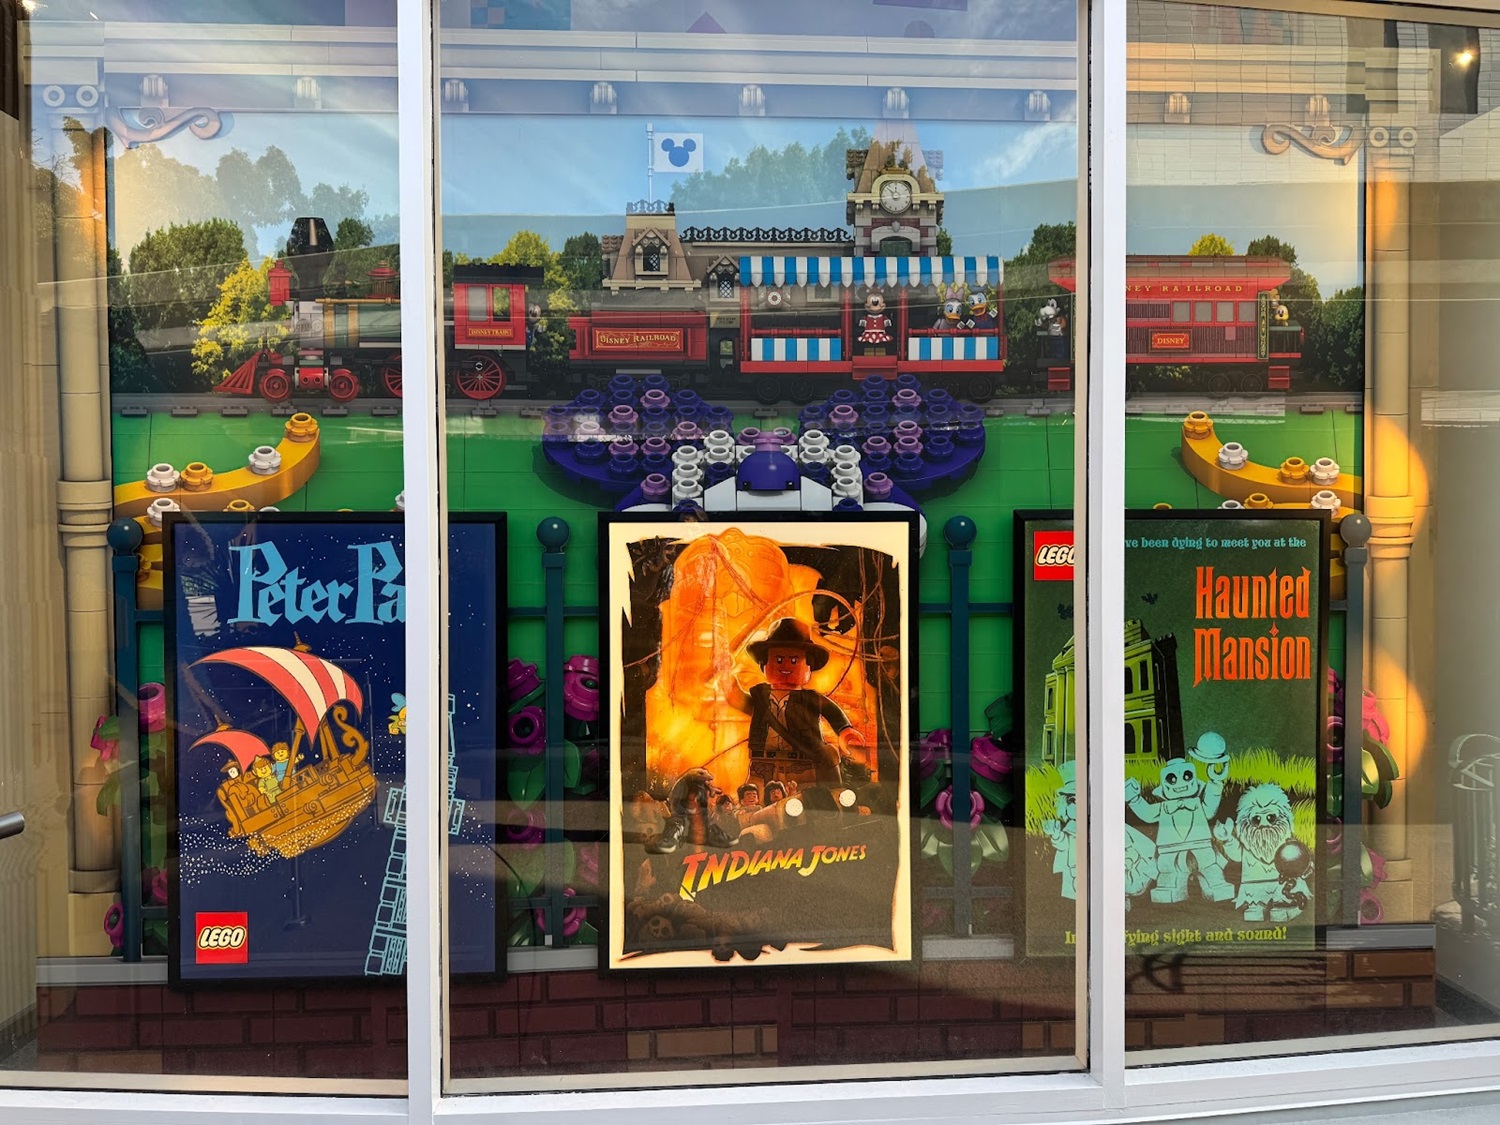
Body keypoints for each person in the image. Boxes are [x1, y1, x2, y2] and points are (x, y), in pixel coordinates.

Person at [721, 617, 866, 788]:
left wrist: (844, 729)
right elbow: (736, 699)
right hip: (762, 768)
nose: (786, 666)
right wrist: (724, 674)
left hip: (802, 770)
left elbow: (831, 711)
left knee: (806, 801)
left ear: (809, 666)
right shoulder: (760, 698)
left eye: (794, 660)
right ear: (764, 664)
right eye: (778, 660)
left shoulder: (810, 699)